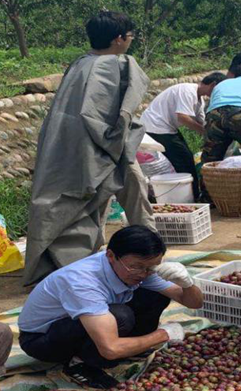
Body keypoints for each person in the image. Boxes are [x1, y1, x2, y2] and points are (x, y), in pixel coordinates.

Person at [23, 11, 153, 286]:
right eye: (129, 37)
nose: (130, 42)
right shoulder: (118, 65)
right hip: (103, 147)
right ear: (118, 39)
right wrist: (119, 143)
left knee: (89, 200)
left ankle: (92, 256)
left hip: (68, 146)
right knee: (131, 190)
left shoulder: (79, 64)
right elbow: (120, 115)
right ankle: (148, 251)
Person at [18, 226, 203, 389]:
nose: (144, 273)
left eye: (151, 268)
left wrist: (186, 283)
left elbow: (193, 303)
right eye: (137, 267)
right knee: (120, 316)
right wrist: (164, 335)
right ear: (111, 256)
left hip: (84, 324)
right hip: (43, 340)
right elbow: (111, 349)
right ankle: (80, 364)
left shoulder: (142, 268)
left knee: (154, 294)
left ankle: (132, 345)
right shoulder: (82, 282)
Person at [140, 73, 227, 200]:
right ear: (213, 85)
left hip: (165, 128)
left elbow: (202, 122)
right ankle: (194, 197)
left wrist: (212, 135)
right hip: (156, 127)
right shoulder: (187, 90)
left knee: (184, 158)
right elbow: (183, 117)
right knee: (184, 160)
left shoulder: (199, 99)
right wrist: (206, 133)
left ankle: (188, 194)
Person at [201, 64, 241, 164]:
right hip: (240, 113)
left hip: (214, 114)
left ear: (234, 75)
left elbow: (212, 105)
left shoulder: (222, 84)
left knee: (211, 155)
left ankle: (210, 178)